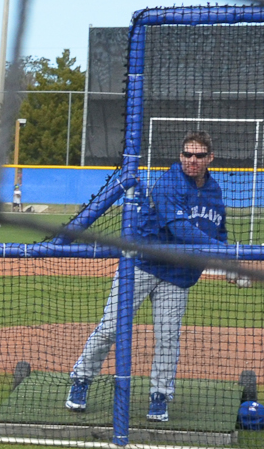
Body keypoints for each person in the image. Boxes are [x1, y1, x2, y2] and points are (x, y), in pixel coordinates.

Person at [66, 130, 228, 423]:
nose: (192, 160)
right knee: (111, 327)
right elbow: (180, 228)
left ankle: (159, 396)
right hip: (142, 265)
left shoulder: (215, 192)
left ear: (210, 158)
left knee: (168, 337)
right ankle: (80, 379)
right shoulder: (169, 182)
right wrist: (220, 252)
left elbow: (220, 231)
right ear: (180, 156)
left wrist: (230, 260)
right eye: (186, 154)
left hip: (178, 275)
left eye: (199, 155)